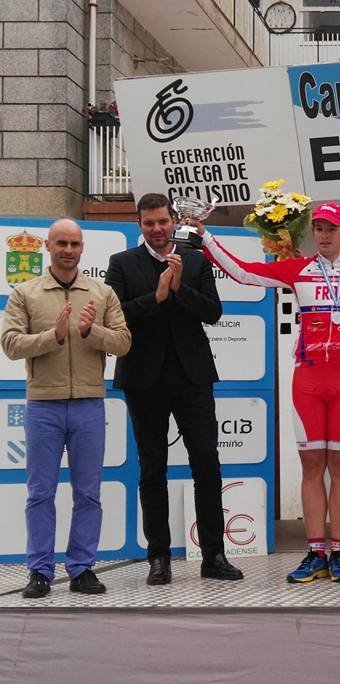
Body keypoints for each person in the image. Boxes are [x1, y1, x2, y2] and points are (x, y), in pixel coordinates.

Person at [201, 201, 340, 583]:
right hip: (307, 380)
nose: (324, 235)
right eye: (319, 228)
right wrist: (205, 237)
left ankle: (339, 552)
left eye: (332, 228)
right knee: (311, 467)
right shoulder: (299, 269)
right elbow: (243, 272)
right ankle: (315, 552)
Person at [105, 194, 244, 586]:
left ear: (173, 221)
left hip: (192, 378)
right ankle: (159, 557)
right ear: (139, 225)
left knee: (207, 465)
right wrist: (157, 297)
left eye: (162, 221)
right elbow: (116, 316)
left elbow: (213, 312)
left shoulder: (195, 260)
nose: (157, 229)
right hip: (143, 379)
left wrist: (180, 288)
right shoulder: (121, 263)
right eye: (149, 223)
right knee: (152, 470)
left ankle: (214, 555)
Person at [2, 218, 131, 598]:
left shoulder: (102, 293)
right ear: (48, 246)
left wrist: (92, 331)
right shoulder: (25, 293)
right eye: (61, 243)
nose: (68, 250)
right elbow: (10, 344)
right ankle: (40, 571)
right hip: (44, 405)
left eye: (74, 244)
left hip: (89, 404)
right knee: (40, 492)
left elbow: (123, 342)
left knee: (88, 493)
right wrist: (52, 336)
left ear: (82, 248)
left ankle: (82, 568)